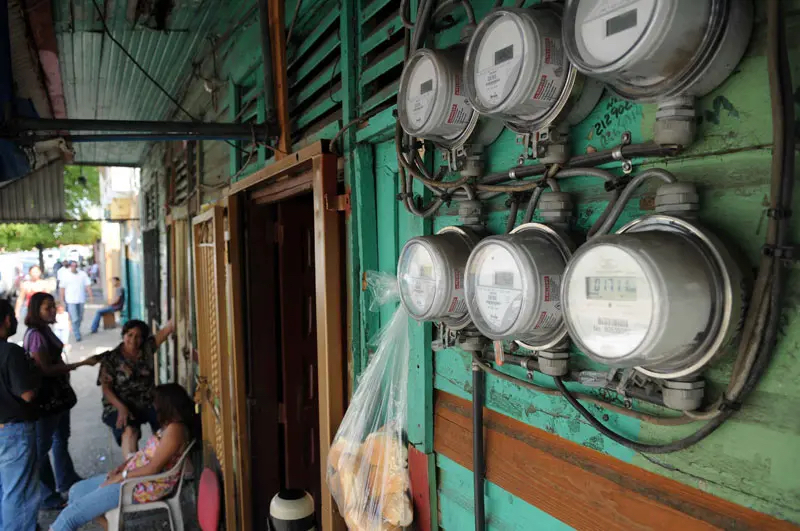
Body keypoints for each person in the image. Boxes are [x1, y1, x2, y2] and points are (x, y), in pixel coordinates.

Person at [49, 383, 197, 531]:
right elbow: (145, 454)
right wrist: (122, 468)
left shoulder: (175, 430)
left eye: (155, 402)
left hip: (141, 486)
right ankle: (110, 527)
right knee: (77, 491)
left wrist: (121, 477)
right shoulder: (169, 426)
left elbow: (153, 468)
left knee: (69, 517)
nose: (153, 406)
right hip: (133, 478)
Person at [24, 292, 99, 510]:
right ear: (36, 310)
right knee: (41, 448)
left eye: (53, 306)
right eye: (46, 307)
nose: (52, 310)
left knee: (60, 438)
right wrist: (79, 364)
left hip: (58, 397)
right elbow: (45, 369)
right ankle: (47, 496)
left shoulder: (45, 330)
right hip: (47, 399)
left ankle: (67, 479)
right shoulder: (36, 335)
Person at [98, 319, 174, 458]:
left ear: (143, 339)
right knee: (129, 431)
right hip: (119, 403)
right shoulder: (111, 358)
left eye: (138, 336)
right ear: (124, 335)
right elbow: (106, 389)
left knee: (167, 425)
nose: (133, 340)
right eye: (130, 335)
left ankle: (167, 463)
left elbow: (167, 330)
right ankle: (132, 467)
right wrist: (121, 408)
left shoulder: (147, 349)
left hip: (147, 401)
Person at [0, 299, 41, 531]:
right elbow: (27, 394)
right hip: (13, 431)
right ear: (7, 320)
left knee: (4, 491)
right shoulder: (11, 352)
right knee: (19, 494)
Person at [59, 261, 92, 342]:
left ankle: (77, 329)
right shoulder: (65, 275)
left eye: (75, 266)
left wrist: (91, 296)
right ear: (70, 266)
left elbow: (87, 285)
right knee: (74, 318)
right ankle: (77, 334)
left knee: (80, 317)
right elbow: (62, 288)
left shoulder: (82, 274)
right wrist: (62, 299)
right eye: (72, 266)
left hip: (81, 299)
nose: (74, 267)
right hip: (70, 300)